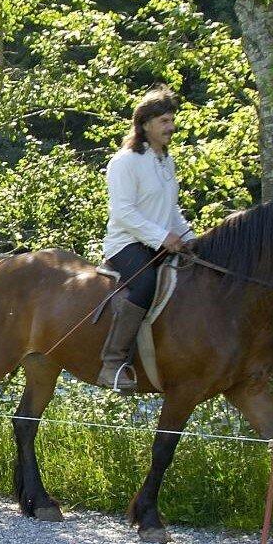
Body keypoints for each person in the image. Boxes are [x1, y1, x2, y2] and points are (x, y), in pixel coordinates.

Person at [98, 88, 196, 392]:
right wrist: (161, 236)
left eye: (172, 120)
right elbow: (123, 212)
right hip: (127, 244)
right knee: (145, 284)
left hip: (159, 243)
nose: (171, 127)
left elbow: (171, 210)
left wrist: (191, 239)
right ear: (145, 125)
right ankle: (112, 364)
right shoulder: (125, 162)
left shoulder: (166, 162)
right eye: (164, 121)